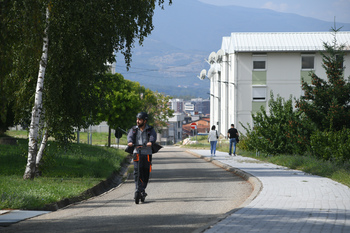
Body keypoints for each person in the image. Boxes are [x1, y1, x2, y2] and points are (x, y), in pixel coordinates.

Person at [127, 112, 157, 203]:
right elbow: (130, 137)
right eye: (137, 119)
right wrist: (130, 142)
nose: (137, 121)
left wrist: (150, 142)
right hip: (137, 152)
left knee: (145, 172)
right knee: (137, 171)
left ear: (145, 121)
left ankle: (142, 189)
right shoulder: (134, 129)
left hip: (147, 153)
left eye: (139, 120)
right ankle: (138, 188)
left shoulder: (150, 129)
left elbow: (153, 137)